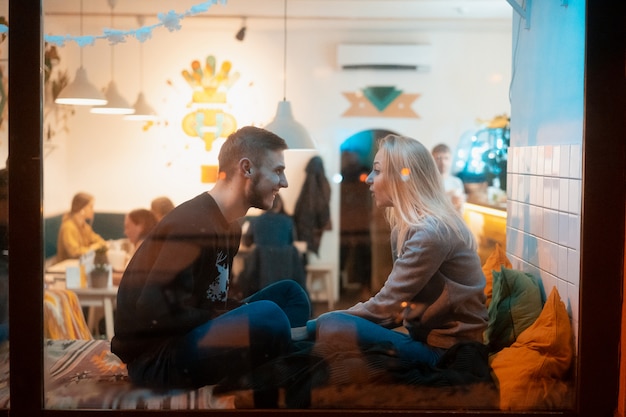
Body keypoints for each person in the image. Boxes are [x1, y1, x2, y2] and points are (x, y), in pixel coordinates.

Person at [112, 126, 311, 407]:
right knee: (269, 316)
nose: (285, 182)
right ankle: (283, 369)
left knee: (290, 295)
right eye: (278, 171)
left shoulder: (231, 229)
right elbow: (153, 310)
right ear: (247, 169)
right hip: (157, 359)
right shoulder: (192, 225)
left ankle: (275, 365)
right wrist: (231, 315)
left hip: (189, 338)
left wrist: (230, 312)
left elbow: (209, 297)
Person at [304, 134, 487, 369]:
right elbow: (395, 309)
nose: (369, 179)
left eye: (378, 171)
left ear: (402, 178)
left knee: (332, 324)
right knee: (322, 319)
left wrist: (315, 325)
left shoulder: (430, 232)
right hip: (427, 342)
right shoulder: (409, 229)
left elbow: (386, 307)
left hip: (451, 355)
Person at [238, 194, 305, 298]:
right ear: (279, 205)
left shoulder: (255, 221)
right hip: (285, 271)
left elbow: (246, 242)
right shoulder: (288, 221)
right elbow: (291, 242)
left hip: (260, 274)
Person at [56, 192, 106, 262]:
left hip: (80, 264)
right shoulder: (68, 227)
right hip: (67, 269)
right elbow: (74, 252)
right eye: (91, 207)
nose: (93, 210)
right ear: (82, 209)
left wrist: (95, 247)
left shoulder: (85, 226)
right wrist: (93, 248)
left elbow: (100, 242)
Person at [431, 143, 466, 213]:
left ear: (451, 160)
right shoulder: (428, 181)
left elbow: (460, 209)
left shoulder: (457, 182)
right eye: (438, 158)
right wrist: (448, 196)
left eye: (446, 158)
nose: (443, 162)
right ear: (432, 160)